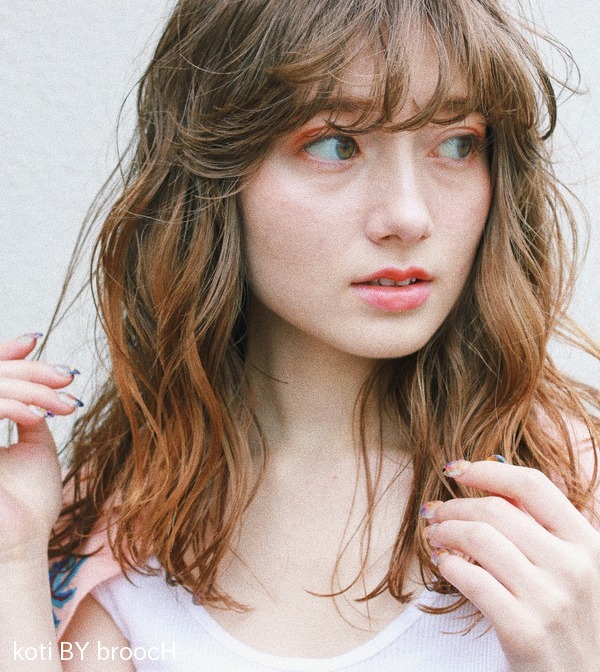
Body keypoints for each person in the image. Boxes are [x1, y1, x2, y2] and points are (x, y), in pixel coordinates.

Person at [1, 0, 599, 669]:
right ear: (212, 176)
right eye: (336, 144)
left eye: (457, 143)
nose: (408, 216)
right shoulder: (114, 528)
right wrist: (12, 559)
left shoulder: (574, 499)